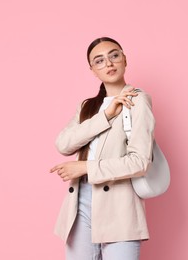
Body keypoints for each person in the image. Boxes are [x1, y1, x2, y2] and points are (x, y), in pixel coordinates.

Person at [50, 37, 155, 260]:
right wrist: (105, 115)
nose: (108, 63)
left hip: (119, 206)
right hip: (81, 206)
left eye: (114, 55)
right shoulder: (88, 106)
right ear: (92, 70)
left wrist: (85, 167)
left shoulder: (137, 100)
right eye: (99, 61)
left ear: (124, 59)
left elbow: (140, 162)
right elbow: (63, 144)